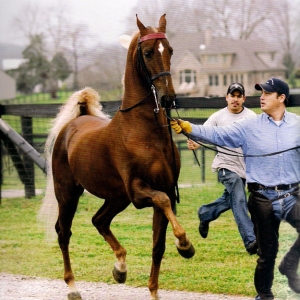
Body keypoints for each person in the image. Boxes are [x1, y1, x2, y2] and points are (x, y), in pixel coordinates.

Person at [170, 78, 300, 300]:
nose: (261, 96)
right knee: (267, 253)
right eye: (261, 92)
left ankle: (288, 265)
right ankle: (264, 295)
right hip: (262, 197)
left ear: (281, 98)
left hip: (291, 195)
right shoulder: (250, 126)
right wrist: (190, 128)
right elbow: (219, 135)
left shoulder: (297, 125)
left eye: (267, 93)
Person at [187, 83, 257, 255]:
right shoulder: (218, 117)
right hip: (225, 166)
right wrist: (195, 142)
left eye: (238, 96)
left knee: (232, 198)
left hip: (245, 169)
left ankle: (205, 213)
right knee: (240, 200)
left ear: (243, 99)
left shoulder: (252, 117)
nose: (235, 99)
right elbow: (203, 132)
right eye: (232, 95)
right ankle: (251, 241)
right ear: (226, 97)